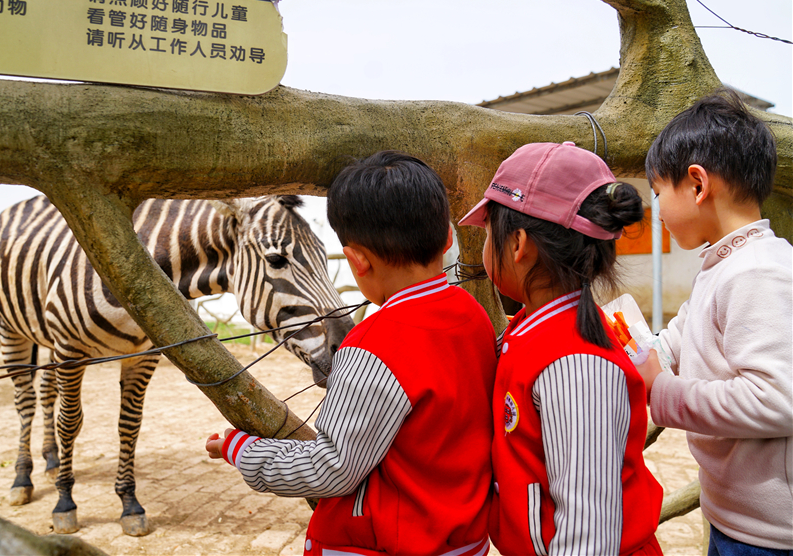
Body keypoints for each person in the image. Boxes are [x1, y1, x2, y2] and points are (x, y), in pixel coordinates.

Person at [206, 151, 498, 556]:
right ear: (448, 238)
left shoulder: (372, 344)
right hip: (462, 540)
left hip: (380, 546)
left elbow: (331, 467)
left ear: (357, 260)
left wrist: (242, 451)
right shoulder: (475, 315)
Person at [459, 141, 664, 555]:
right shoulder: (532, 331)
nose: (484, 246)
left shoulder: (576, 362)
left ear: (517, 244)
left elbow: (588, 534)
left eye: (487, 232)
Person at [636, 90, 793, 555]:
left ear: (698, 185)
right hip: (731, 514)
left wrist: (661, 391)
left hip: (768, 536)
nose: (658, 209)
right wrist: (638, 349)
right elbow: (680, 338)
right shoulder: (721, 264)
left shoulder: (759, 272)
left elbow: (776, 398)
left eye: (659, 192)